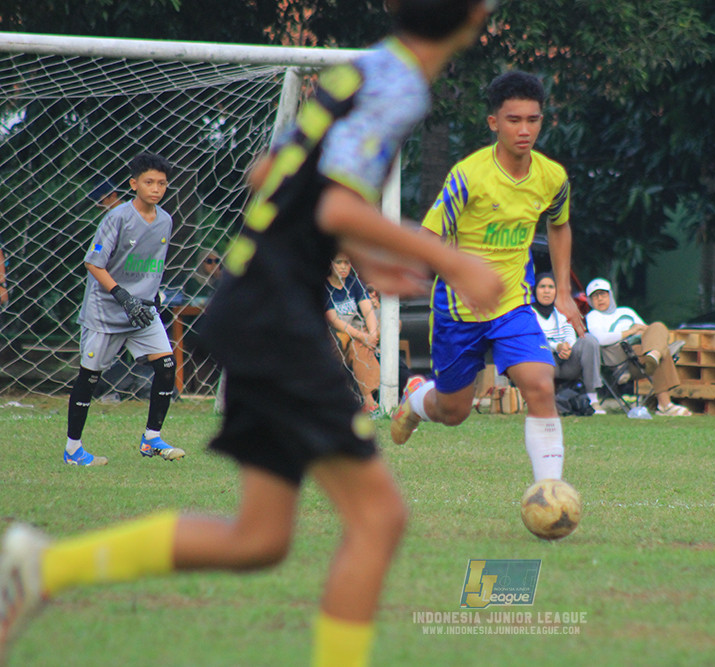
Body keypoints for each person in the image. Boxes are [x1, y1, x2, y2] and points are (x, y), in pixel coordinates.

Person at [0, 3, 503, 667]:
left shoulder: (362, 71)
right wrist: (452, 258)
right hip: (279, 314)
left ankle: (42, 566)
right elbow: (329, 200)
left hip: (252, 298)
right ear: (477, 14)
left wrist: (358, 245)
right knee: (378, 517)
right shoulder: (401, 82)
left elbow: (267, 176)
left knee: (260, 537)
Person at [391, 69, 584, 493]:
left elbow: (559, 225)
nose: (525, 130)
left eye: (533, 120)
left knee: (539, 385)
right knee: (453, 411)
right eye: (514, 120)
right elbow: (429, 236)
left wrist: (565, 294)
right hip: (459, 310)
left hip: (513, 304)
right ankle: (418, 398)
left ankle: (550, 494)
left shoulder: (551, 177)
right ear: (494, 122)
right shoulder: (468, 175)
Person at [62, 152, 184, 465]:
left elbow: (151, 268)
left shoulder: (166, 221)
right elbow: (93, 263)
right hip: (106, 310)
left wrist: (150, 297)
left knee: (167, 366)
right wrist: (123, 296)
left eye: (161, 183)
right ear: (133, 184)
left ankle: (151, 440)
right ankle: (73, 450)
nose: (156, 188)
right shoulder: (116, 218)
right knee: (90, 377)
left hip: (141, 310)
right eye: (149, 182)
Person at [585, 278, 693, 416]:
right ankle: (665, 405)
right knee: (661, 351)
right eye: (595, 296)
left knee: (657, 326)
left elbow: (645, 330)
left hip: (641, 352)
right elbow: (600, 339)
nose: (600, 299)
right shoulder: (593, 316)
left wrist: (642, 332)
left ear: (610, 295)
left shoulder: (626, 311)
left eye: (603, 294)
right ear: (589, 300)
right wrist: (630, 332)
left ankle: (654, 354)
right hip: (624, 358)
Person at [531, 272, 605, 414]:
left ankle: (592, 398)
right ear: (535, 290)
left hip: (567, 360)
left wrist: (568, 346)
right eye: (542, 287)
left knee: (588, 340)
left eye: (551, 287)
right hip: (546, 362)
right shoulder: (529, 312)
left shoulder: (560, 310)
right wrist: (557, 347)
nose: (547, 291)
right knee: (539, 348)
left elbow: (569, 330)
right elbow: (536, 337)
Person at [325, 253, 380, 413]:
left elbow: (368, 310)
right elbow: (333, 320)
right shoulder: (324, 287)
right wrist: (364, 336)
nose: (343, 267)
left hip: (356, 333)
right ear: (330, 264)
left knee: (360, 346)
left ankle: (368, 401)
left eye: (347, 263)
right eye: (339, 262)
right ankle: (367, 400)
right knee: (358, 343)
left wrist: (372, 333)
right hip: (336, 334)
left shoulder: (354, 283)